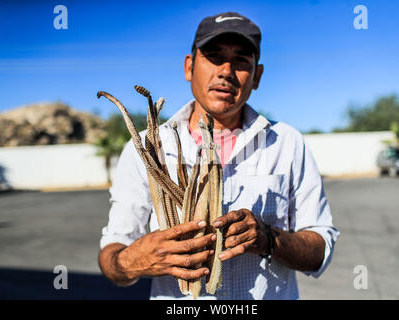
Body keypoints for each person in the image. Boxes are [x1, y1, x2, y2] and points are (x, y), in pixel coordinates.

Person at [98, 12, 339, 300]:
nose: (226, 71)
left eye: (241, 61)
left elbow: (319, 249)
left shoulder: (286, 143)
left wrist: (267, 238)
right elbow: (112, 257)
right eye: (214, 56)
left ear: (257, 76)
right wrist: (137, 259)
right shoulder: (147, 148)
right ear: (189, 67)